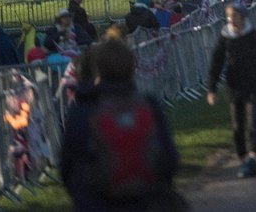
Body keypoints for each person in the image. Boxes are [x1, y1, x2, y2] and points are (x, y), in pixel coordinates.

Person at [61, 39, 181, 211]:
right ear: (132, 68)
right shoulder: (148, 104)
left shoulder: (84, 109)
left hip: (98, 202)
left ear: (98, 70)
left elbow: (68, 164)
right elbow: (169, 156)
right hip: (146, 200)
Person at [207, 4, 256, 178]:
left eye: (234, 16)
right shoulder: (225, 38)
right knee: (238, 124)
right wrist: (212, 88)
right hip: (235, 86)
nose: (231, 20)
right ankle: (243, 157)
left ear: (243, 17)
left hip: (255, 85)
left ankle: (252, 156)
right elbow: (217, 63)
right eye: (229, 16)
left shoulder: (254, 36)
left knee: (254, 122)